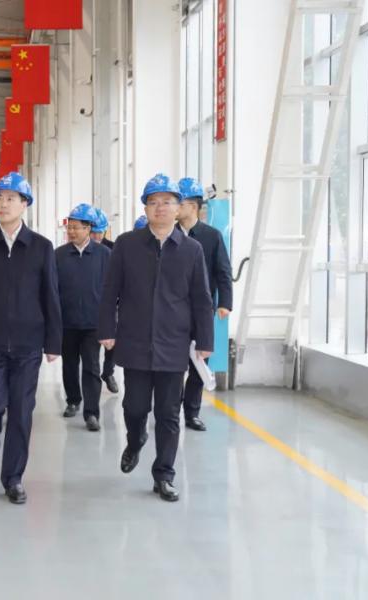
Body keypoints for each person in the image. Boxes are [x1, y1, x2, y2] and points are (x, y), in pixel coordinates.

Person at [98, 173, 214, 503]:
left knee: (168, 413)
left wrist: (205, 341)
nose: (160, 207)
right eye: (153, 202)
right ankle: (135, 440)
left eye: (167, 201)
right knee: (134, 408)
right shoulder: (127, 245)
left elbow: (201, 298)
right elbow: (110, 291)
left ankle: (164, 474)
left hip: (173, 344)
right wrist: (106, 329)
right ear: (145, 208)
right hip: (135, 340)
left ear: (179, 208)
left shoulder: (191, 250)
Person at [0, 172, 62, 505]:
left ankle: (13, 477)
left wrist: (53, 342)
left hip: (28, 344)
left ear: (24, 204)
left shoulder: (41, 247)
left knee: (21, 412)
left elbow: (51, 296)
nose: (3, 204)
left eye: (10, 198)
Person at [176, 178, 233, 432]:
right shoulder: (169, 235)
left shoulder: (211, 236)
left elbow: (223, 271)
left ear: (193, 206)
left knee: (199, 362)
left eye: (179, 203)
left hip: (201, 310)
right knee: (172, 364)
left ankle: (192, 413)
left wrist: (225, 303)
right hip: (172, 311)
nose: (174, 207)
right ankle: (170, 409)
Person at [56, 203, 111, 431]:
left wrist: (110, 323)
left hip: (92, 323)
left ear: (88, 228)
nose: (71, 232)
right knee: (69, 364)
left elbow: (111, 291)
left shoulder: (104, 255)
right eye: (69, 227)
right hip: (67, 322)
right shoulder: (59, 255)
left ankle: (92, 413)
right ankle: (73, 400)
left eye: (76, 227)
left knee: (91, 367)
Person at [89, 207, 119, 394]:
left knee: (113, 342)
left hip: (110, 302)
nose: (96, 237)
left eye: (99, 233)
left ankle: (108, 373)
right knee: (91, 347)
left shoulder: (115, 248)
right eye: (93, 233)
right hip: (91, 303)